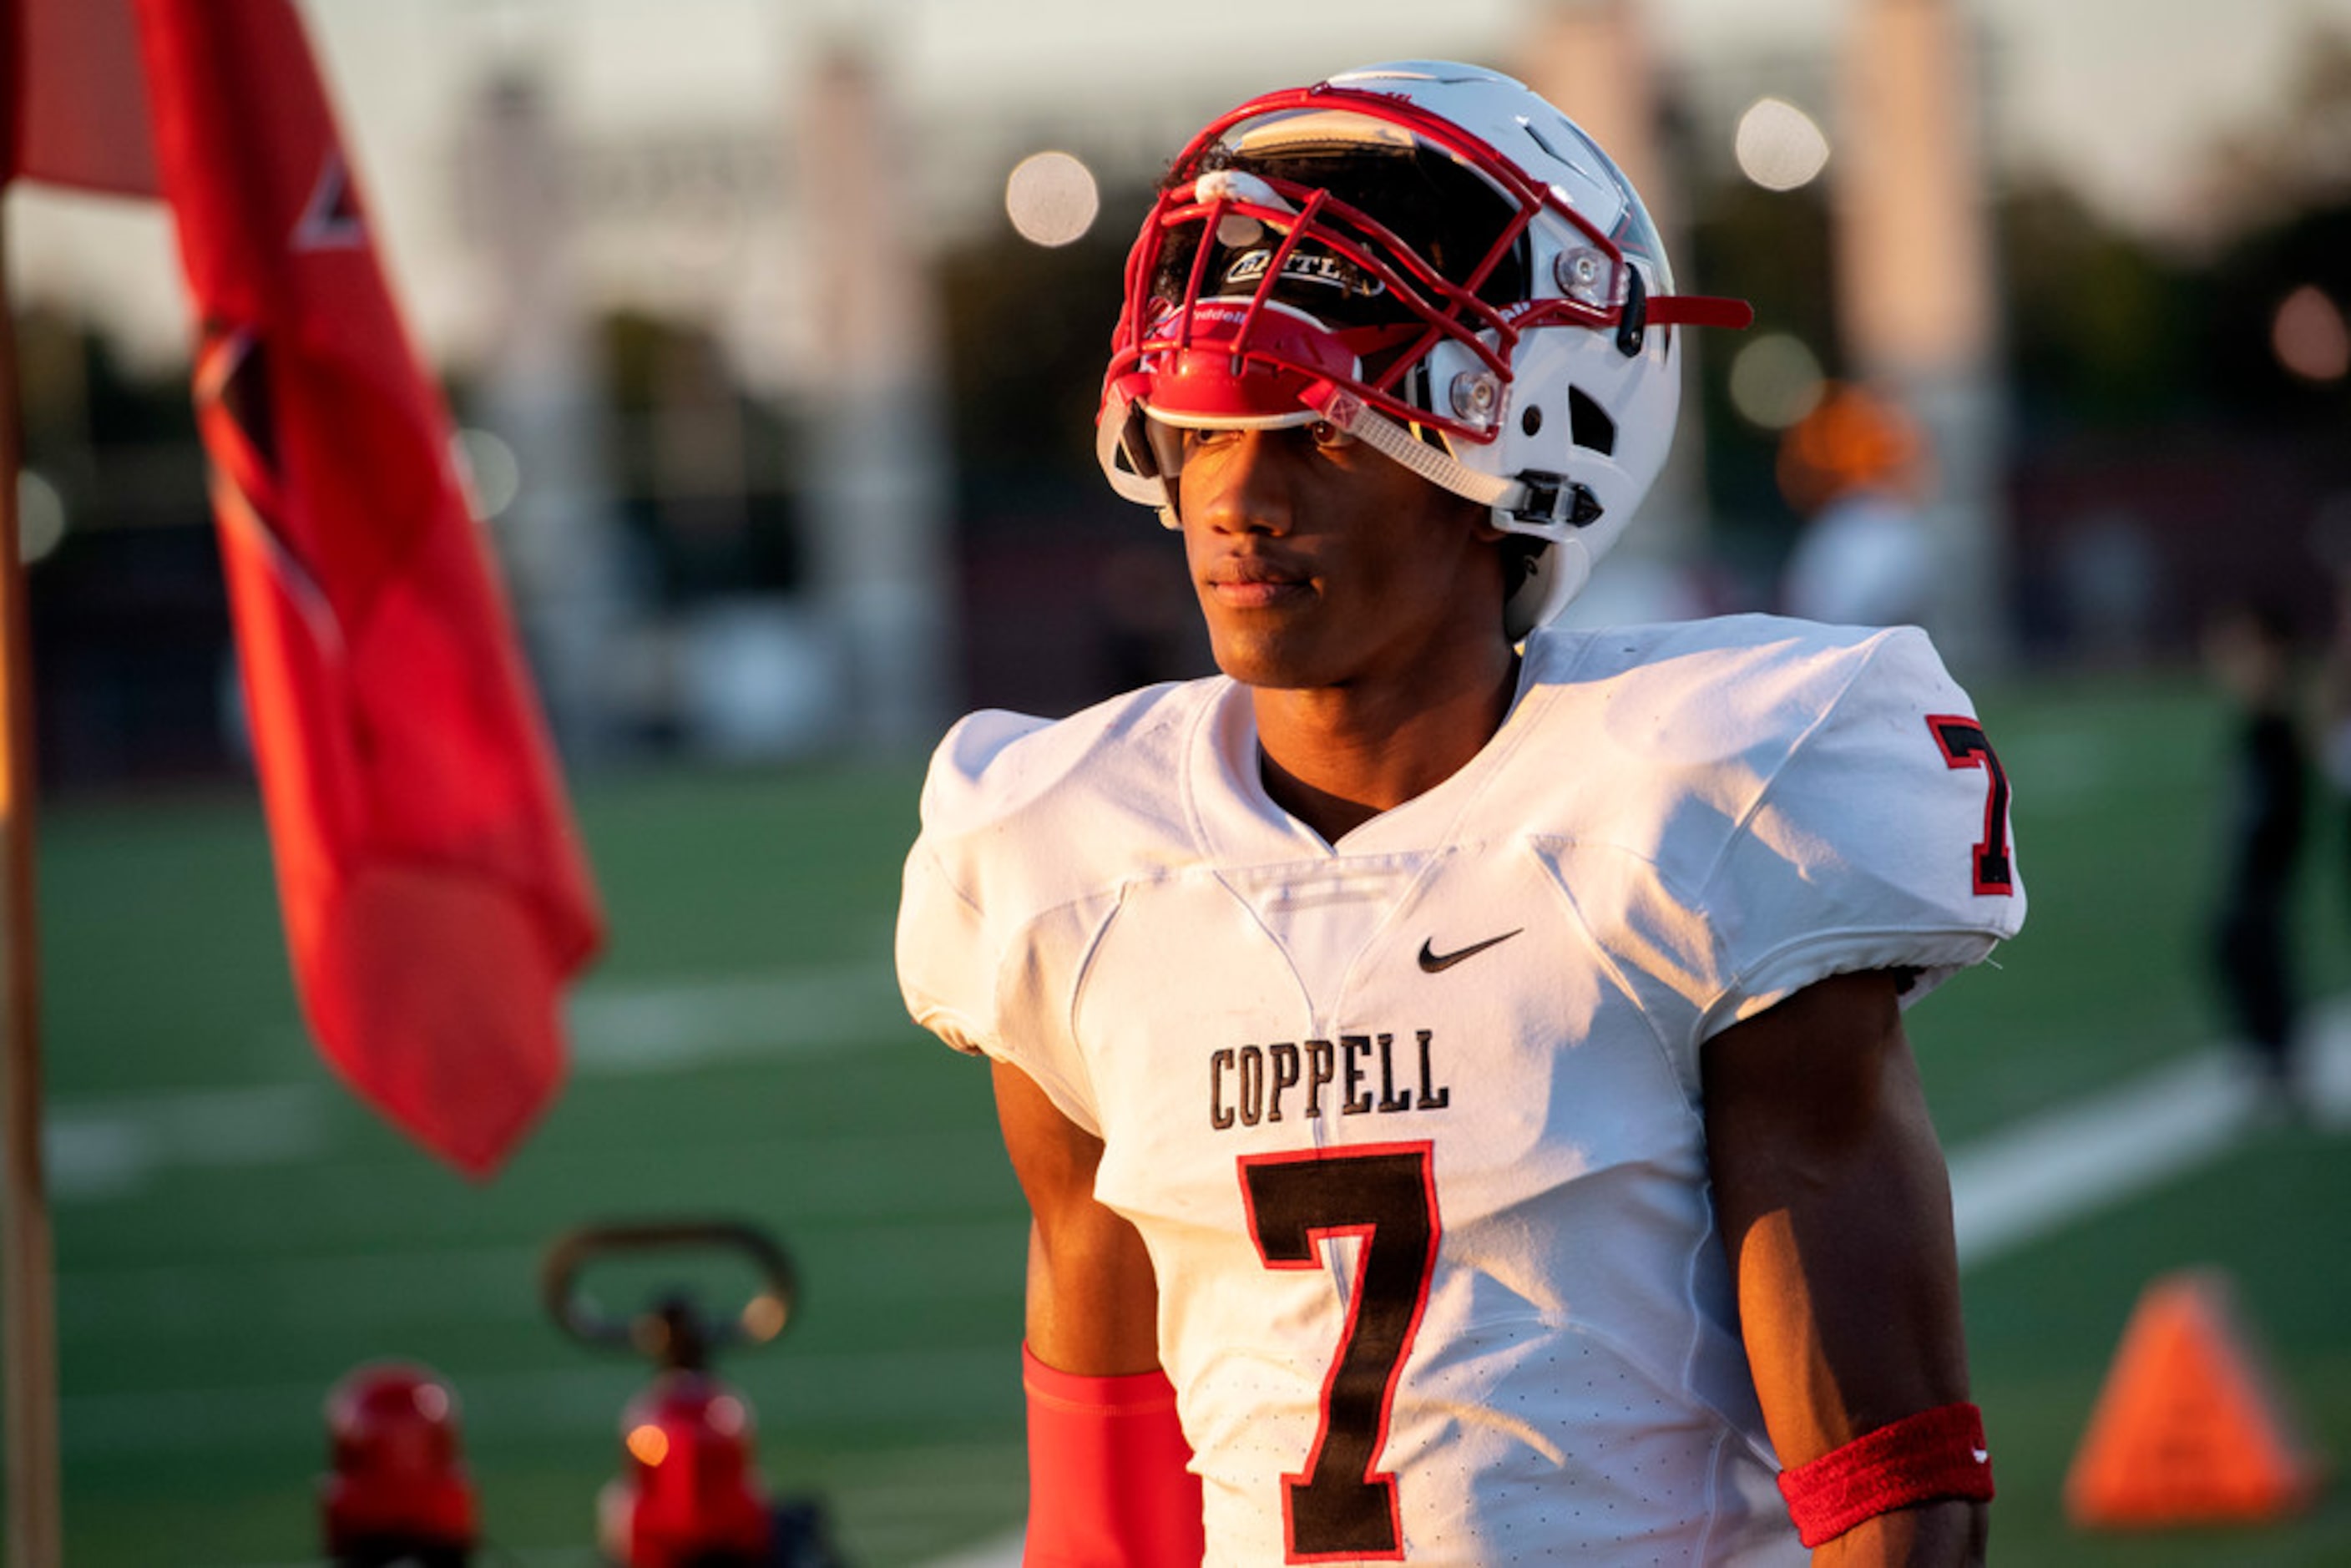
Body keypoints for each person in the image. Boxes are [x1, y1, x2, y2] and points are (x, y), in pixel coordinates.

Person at [897, 61, 2024, 1565]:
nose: (1238, 499)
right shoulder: (1065, 857)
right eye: (1207, 426)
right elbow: (1104, 1511)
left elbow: (1890, 1487)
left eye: (1322, 430)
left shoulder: (1697, 802)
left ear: (1521, 448)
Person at [2202, 600, 2308, 1110]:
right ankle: (2269, 1052)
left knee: (2252, 937)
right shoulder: (2259, 725)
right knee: (2235, 939)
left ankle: (2278, 1057)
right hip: (2259, 848)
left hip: (2268, 849)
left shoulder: (2275, 724)